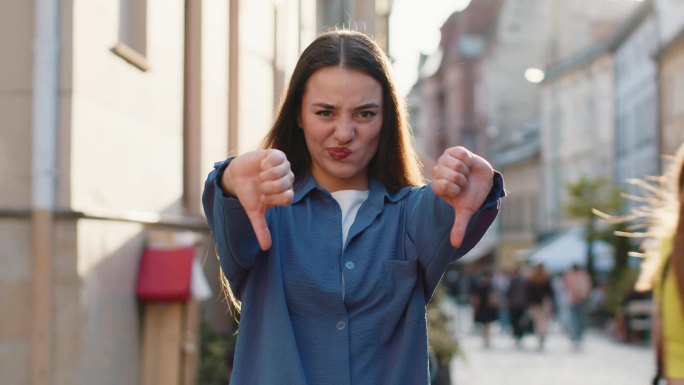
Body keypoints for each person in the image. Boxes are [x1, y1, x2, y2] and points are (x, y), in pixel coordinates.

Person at [202, 30, 506, 385]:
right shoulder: (264, 209)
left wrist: (470, 182)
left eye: (364, 114)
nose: (344, 133)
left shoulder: (409, 215)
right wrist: (229, 180)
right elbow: (230, 210)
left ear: (386, 119)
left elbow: (447, 212)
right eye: (325, 112)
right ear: (299, 114)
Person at [526, 263, 554, 351]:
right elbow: (550, 292)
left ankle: (539, 336)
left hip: (535, 304)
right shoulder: (545, 278)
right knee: (543, 321)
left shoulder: (532, 278)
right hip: (543, 303)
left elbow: (528, 293)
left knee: (537, 321)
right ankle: (542, 335)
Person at [563, 264, 592, 349]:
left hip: (580, 301)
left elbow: (587, 287)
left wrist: (583, 295)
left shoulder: (582, 276)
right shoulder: (572, 276)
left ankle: (578, 338)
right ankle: (575, 338)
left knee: (579, 320)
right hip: (574, 301)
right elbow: (567, 287)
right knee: (575, 320)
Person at [470, 270, 499, 348]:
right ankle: (485, 340)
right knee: (484, 325)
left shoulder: (491, 286)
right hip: (482, 307)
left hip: (488, 307)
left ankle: (487, 340)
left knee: (487, 325)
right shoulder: (480, 287)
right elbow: (475, 298)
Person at [506, 266, 529, 347]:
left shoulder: (513, 281)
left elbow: (509, 293)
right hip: (522, 304)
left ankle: (516, 334)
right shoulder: (524, 281)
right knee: (520, 320)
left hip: (514, 304)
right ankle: (520, 334)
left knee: (515, 320)